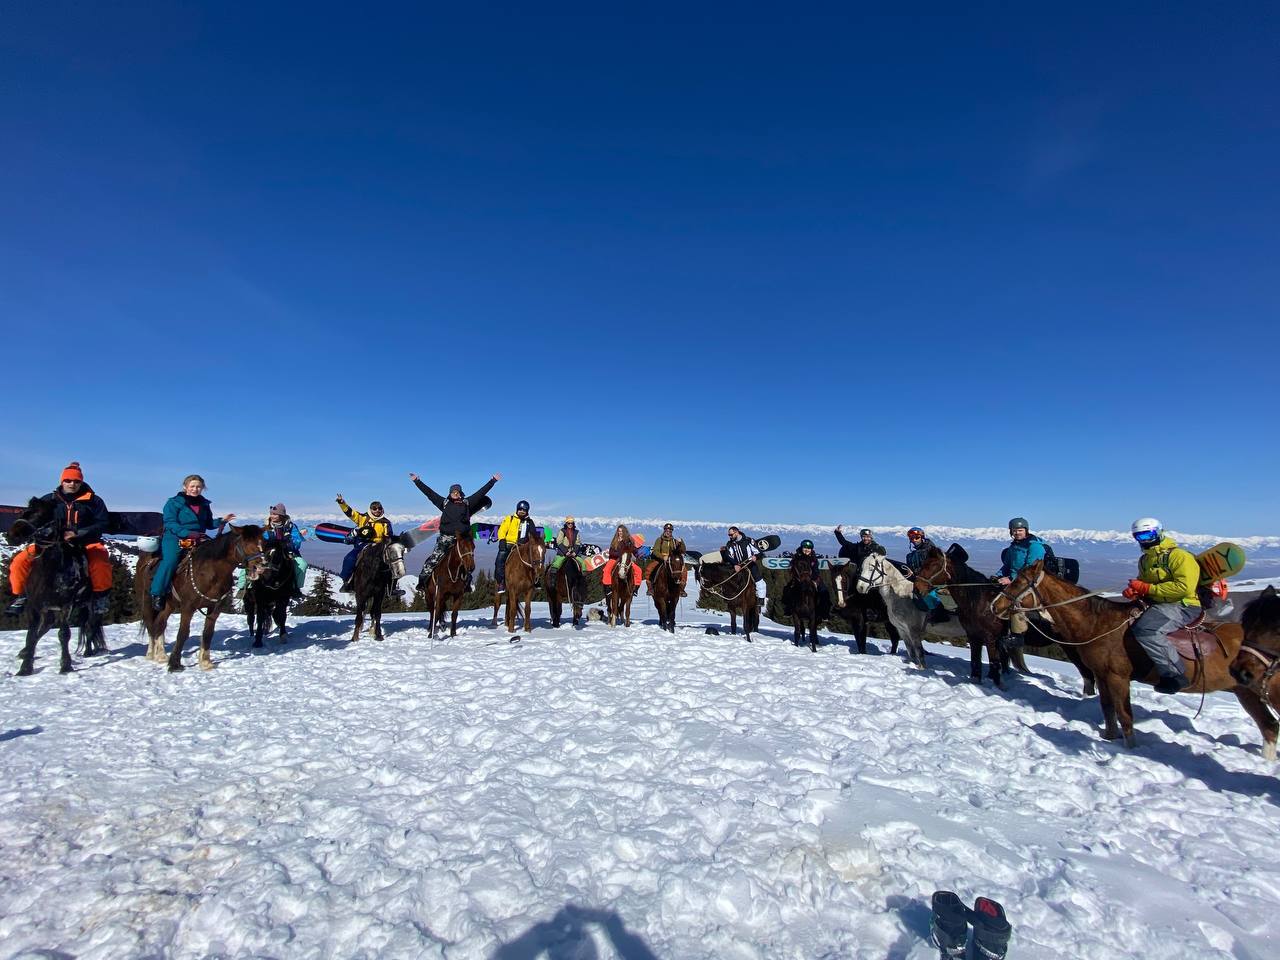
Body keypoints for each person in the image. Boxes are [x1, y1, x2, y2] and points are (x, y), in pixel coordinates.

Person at [6, 462, 113, 615]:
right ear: (62, 481)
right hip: (50, 543)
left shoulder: (94, 501)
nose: (72, 484)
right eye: (68, 480)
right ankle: (20, 596)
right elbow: (33, 519)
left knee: (100, 563)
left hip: (86, 542)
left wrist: (78, 533)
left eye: (76, 481)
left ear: (81, 482)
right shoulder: (48, 500)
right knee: (19, 561)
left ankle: (100, 597)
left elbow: (103, 523)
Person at [1124, 517, 1199, 694]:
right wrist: (1136, 591)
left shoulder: (1179, 556)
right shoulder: (1145, 560)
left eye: (1148, 535)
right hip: (1158, 602)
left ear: (1159, 532)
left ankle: (1175, 674)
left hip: (1183, 604)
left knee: (1147, 630)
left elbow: (1184, 588)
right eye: (1139, 537)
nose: (1144, 540)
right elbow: (1144, 582)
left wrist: (1147, 588)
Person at [150, 475, 236, 610]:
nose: (195, 489)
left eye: (198, 487)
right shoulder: (173, 503)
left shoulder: (204, 504)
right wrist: (186, 533)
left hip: (198, 538)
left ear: (202, 488)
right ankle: (158, 593)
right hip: (175, 538)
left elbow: (208, 523)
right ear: (185, 487)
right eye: (192, 486)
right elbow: (170, 522)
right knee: (170, 561)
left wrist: (221, 521)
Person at [412, 471, 500, 587]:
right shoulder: (444, 503)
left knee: (467, 558)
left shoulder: (467, 503)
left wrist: (492, 481)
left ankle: (467, 581)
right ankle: (423, 580)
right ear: (450, 494)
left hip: (462, 539)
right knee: (434, 558)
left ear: (460, 493)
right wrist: (417, 481)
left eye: (457, 492)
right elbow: (429, 493)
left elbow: (481, 493)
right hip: (446, 537)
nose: (455, 494)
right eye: (453, 492)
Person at [239, 503, 307, 600]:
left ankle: (295, 588)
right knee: (250, 563)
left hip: (287, 552)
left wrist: (289, 542)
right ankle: (243, 587)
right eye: (271, 514)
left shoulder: (291, 527)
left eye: (275, 514)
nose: (272, 516)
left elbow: (297, 542)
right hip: (268, 551)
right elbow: (261, 540)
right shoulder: (266, 526)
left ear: (281, 515)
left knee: (302, 565)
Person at [335, 494, 393, 592]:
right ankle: (347, 582)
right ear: (370, 509)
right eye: (374, 508)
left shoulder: (386, 522)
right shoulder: (363, 518)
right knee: (349, 558)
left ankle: (391, 588)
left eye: (379, 508)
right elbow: (350, 513)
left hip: (380, 546)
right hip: (363, 544)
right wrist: (342, 503)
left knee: (394, 563)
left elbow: (388, 536)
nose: (377, 510)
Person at [905, 526, 948, 622]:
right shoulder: (911, 556)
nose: (914, 540)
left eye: (917, 538)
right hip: (920, 581)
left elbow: (935, 568)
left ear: (922, 537)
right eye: (911, 538)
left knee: (928, 596)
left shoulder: (932, 552)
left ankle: (939, 615)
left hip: (933, 581)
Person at [495, 500, 538, 594]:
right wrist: (502, 540)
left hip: (523, 545)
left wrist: (527, 540)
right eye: (520, 509)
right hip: (509, 543)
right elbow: (502, 530)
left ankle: (535, 580)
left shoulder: (529, 522)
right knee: (500, 560)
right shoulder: (510, 518)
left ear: (527, 511)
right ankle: (501, 581)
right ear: (517, 509)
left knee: (535, 558)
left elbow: (533, 534)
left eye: (524, 510)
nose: (522, 511)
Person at [996, 517, 1047, 586]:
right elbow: (1007, 565)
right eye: (1014, 531)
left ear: (1026, 531)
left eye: (1020, 530)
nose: (1017, 533)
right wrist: (998, 575)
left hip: (1029, 581)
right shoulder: (1014, 546)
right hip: (1015, 579)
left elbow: (1031, 569)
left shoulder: (1035, 546)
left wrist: (1011, 579)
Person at [724, 526, 768, 605]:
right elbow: (728, 555)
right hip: (738, 566)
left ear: (737, 532)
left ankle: (761, 600)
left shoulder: (748, 540)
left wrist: (756, 556)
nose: (730, 537)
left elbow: (759, 552)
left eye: (731, 535)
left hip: (750, 564)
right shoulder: (729, 544)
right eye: (729, 535)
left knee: (759, 581)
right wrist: (735, 564)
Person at [601, 524, 644, 604]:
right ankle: (608, 587)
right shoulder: (615, 540)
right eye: (619, 531)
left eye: (621, 531)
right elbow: (611, 551)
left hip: (625, 559)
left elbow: (633, 550)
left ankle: (635, 588)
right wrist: (619, 554)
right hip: (615, 559)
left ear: (625, 532)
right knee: (607, 569)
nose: (620, 533)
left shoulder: (629, 540)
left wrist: (637, 554)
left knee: (638, 570)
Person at [645, 523, 689, 596]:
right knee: (650, 568)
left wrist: (681, 542)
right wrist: (663, 557)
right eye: (666, 530)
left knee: (684, 570)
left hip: (672, 560)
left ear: (672, 532)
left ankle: (681, 588)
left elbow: (682, 551)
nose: (668, 532)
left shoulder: (674, 541)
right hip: (661, 559)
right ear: (664, 530)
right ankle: (650, 588)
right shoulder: (659, 540)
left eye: (670, 531)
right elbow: (655, 551)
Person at [788, 538, 830, 605]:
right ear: (802, 548)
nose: (807, 550)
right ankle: (788, 607)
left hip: (812, 578)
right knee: (788, 590)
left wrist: (813, 578)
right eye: (805, 548)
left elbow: (816, 570)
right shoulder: (797, 556)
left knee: (823, 590)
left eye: (809, 548)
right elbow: (793, 568)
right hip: (799, 578)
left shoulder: (813, 557)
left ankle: (824, 608)